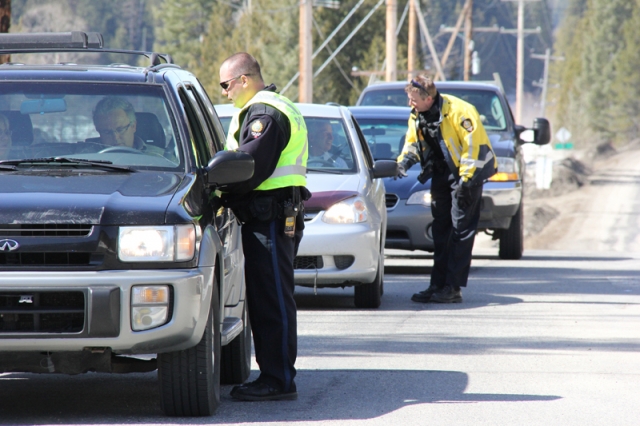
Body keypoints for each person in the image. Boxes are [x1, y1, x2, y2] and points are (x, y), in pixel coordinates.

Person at [218, 52, 310, 401]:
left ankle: (278, 379)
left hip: (269, 216)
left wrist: (217, 188)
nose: (225, 92)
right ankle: (277, 373)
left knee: (271, 299)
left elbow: (249, 167)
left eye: (226, 84)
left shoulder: (264, 113)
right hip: (270, 215)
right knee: (271, 296)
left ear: (244, 79)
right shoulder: (268, 107)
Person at [396, 75, 497, 304]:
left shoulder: (461, 111)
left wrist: (466, 181)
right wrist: (402, 163)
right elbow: (412, 144)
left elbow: (474, 148)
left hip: (467, 175)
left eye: (413, 99)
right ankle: (437, 285)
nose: (410, 103)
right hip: (441, 174)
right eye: (409, 99)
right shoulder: (417, 115)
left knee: (460, 231)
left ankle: (453, 287)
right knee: (441, 230)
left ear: (429, 98)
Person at [92, 96, 165, 157]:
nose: (115, 137)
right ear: (98, 130)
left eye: (120, 129)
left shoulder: (160, 157)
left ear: (133, 126)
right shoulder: (85, 158)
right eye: (107, 132)